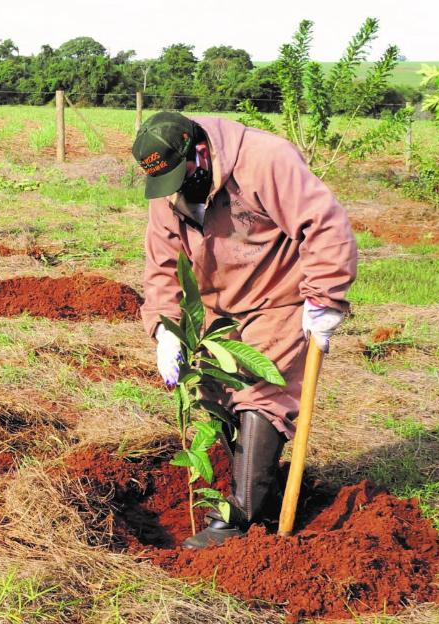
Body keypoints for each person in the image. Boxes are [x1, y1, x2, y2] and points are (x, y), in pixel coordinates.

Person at [131, 111, 357, 549]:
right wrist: (164, 326)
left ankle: (239, 519)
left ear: (200, 151)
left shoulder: (264, 159)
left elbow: (324, 223)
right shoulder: (169, 189)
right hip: (216, 307)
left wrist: (325, 298)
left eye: (181, 174)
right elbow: (161, 265)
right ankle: (260, 492)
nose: (175, 189)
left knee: (259, 390)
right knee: (216, 396)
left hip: (279, 297)